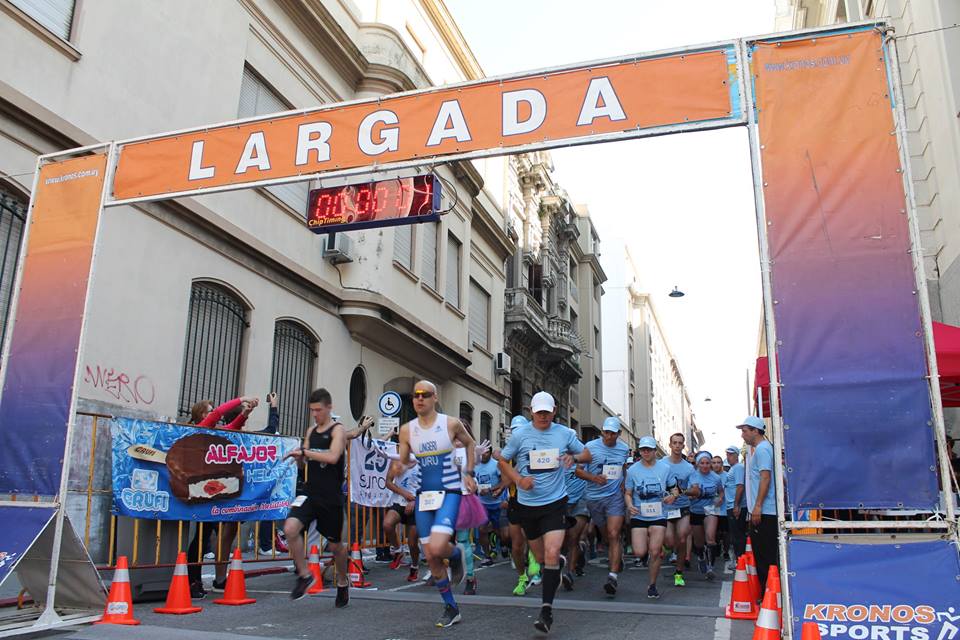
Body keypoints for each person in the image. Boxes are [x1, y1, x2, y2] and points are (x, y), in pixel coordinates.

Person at [498, 391, 592, 634]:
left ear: (554, 410)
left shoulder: (564, 433)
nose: (543, 416)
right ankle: (555, 567)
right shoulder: (520, 435)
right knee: (540, 559)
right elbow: (502, 461)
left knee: (551, 553)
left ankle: (546, 611)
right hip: (528, 506)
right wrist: (519, 479)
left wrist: (574, 457)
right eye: (538, 412)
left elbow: (587, 455)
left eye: (547, 412)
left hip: (555, 502)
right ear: (531, 411)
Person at [394, 380, 476, 628]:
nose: (419, 399)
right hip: (423, 496)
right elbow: (404, 459)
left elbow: (471, 443)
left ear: (435, 398)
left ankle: (455, 552)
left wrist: (469, 472)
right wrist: (399, 464)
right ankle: (451, 607)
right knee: (431, 555)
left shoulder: (450, 423)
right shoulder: (407, 430)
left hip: (449, 493)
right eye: (415, 395)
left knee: (439, 546)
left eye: (425, 395)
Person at [282, 388, 374, 606]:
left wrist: (305, 453)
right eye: (312, 410)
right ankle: (305, 575)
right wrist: (299, 458)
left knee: (336, 547)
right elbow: (304, 460)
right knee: (290, 529)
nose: (315, 414)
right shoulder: (311, 431)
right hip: (309, 493)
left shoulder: (338, 431)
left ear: (329, 408)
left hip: (330, 497)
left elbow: (333, 457)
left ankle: (342, 582)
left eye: (319, 410)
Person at [186, 395, 259, 598]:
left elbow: (234, 426)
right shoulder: (202, 428)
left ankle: (218, 580)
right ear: (202, 415)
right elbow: (219, 414)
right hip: (201, 491)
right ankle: (193, 581)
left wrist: (245, 413)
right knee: (200, 537)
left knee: (218, 535)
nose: (214, 413)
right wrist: (241, 399)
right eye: (210, 410)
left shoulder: (216, 432)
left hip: (216, 492)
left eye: (213, 410)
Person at [577, 416, 630, 596]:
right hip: (594, 497)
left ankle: (612, 576)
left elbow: (623, 468)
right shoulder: (590, 448)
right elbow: (577, 470)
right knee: (607, 536)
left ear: (618, 434)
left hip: (615, 497)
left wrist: (624, 481)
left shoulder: (624, 449)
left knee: (614, 534)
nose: (609, 436)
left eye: (613, 433)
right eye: (606, 432)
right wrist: (593, 478)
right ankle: (617, 556)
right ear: (602, 432)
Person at [624, 435, 669, 599]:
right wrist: (629, 506)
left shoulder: (665, 468)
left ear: (655, 451)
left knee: (655, 551)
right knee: (639, 551)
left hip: (658, 514)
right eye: (643, 450)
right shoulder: (633, 470)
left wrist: (672, 496)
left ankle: (652, 585)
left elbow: (674, 489)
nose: (646, 452)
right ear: (640, 451)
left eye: (649, 449)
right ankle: (647, 552)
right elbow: (628, 493)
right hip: (640, 515)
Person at [738, 415, 779, 592]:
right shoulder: (763, 448)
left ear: (755, 431)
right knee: (764, 554)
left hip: (766, 511)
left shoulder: (762, 450)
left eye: (745, 431)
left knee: (765, 555)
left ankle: (769, 593)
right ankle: (769, 592)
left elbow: (765, 477)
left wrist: (758, 506)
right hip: (765, 509)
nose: (742, 435)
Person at [383, 448, 421, 583]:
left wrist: (415, 500)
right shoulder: (397, 459)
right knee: (387, 524)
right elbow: (387, 482)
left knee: (412, 542)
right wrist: (404, 494)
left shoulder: (422, 459)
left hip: (418, 502)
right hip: (400, 500)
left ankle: (414, 566)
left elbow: (429, 485)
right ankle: (398, 551)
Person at [663, 432, 694, 587]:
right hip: (666, 508)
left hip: (683, 507)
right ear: (670, 445)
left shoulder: (689, 468)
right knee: (669, 542)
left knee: (682, 538)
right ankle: (669, 549)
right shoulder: (661, 463)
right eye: (674, 442)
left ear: (683, 446)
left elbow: (695, 489)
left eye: (680, 443)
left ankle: (679, 572)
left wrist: (682, 491)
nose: (677, 445)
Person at [688, 451, 724, 581]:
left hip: (711, 510)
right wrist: (692, 494)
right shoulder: (693, 476)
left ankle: (710, 568)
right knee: (698, 542)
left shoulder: (716, 478)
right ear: (697, 464)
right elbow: (691, 492)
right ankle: (701, 557)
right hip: (696, 510)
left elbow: (721, 492)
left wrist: (720, 498)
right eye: (702, 463)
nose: (705, 465)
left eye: (707, 463)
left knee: (710, 538)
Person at [560, 457, 589, 591]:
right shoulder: (559, 459)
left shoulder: (587, 459)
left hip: (582, 501)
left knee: (573, 536)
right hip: (563, 502)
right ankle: (581, 552)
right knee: (564, 538)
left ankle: (569, 573)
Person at [475, 445, 506, 566]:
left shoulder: (496, 465)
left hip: (497, 503)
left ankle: (503, 544)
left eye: (486, 453)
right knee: (482, 529)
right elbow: (472, 481)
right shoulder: (475, 465)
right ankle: (487, 556)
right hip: (482, 503)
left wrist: (495, 490)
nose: (483, 455)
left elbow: (504, 481)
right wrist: (477, 490)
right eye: (481, 453)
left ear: (490, 453)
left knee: (500, 532)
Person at [723, 445, 747, 571]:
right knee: (735, 534)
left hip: (736, 506)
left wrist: (736, 505)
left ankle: (740, 561)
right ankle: (739, 560)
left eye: (731, 454)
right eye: (727, 454)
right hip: (732, 505)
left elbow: (740, 486)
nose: (729, 457)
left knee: (738, 535)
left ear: (737, 455)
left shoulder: (738, 468)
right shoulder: (734, 468)